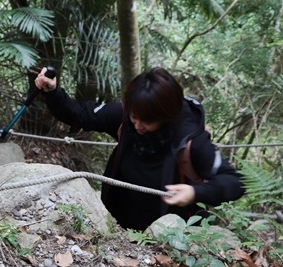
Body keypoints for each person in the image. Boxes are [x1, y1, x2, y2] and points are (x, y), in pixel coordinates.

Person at [34, 66, 245, 231]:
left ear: (166, 117)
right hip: (120, 226)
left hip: (171, 237)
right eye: (135, 117)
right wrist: (53, 92)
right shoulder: (127, 116)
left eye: (147, 121)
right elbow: (81, 114)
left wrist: (194, 192)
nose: (137, 126)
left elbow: (234, 182)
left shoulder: (191, 141)